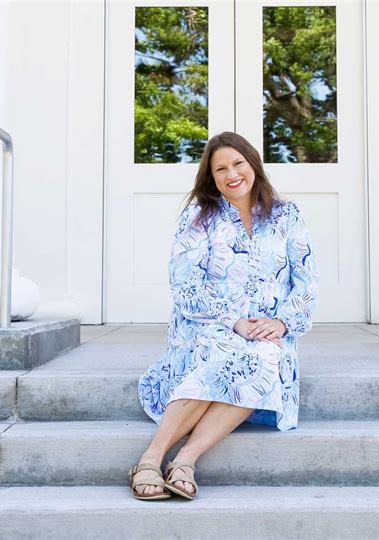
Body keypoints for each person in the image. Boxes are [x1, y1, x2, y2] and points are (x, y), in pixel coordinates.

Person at [128, 131, 320, 500]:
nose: (232, 174)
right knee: (223, 351)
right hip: (208, 325)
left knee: (266, 355)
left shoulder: (287, 215)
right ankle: (151, 457)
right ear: (211, 177)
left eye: (238, 164)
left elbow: (306, 280)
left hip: (266, 332)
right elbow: (184, 284)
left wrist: (282, 322)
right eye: (221, 169)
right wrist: (234, 321)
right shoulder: (199, 217)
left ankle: (185, 459)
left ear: (253, 165)